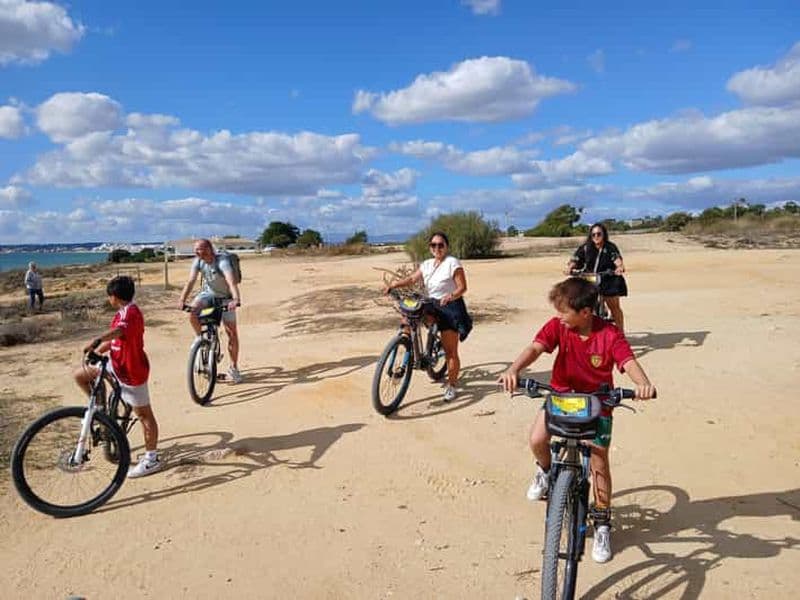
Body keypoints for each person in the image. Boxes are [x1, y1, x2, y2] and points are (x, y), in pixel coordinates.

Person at [498, 277, 656, 564]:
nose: (559, 316)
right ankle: (546, 471)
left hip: (597, 403)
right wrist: (513, 369)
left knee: (598, 461)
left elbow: (628, 361)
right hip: (561, 398)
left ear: (585, 312)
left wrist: (643, 384)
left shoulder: (609, 333)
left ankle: (603, 522)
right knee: (536, 439)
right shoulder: (558, 326)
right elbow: (535, 348)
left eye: (564, 311)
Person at [74, 276, 161, 478]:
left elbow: (119, 331)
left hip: (132, 371)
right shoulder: (121, 312)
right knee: (80, 375)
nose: (108, 299)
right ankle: (100, 409)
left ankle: (151, 459)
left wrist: (96, 339)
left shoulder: (131, 313)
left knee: (144, 415)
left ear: (114, 296)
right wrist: (97, 350)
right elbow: (115, 340)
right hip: (115, 365)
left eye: (109, 296)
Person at [384, 231, 472, 402]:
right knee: (410, 314)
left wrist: (451, 296)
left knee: (450, 352)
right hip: (432, 303)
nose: (437, 248)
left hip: (450, 307)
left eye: (440, 245)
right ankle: (404, 339)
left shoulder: (452, 263)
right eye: (433, 245)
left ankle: (452, 385)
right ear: (430, 247)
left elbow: (462, 287)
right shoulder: (427, 264)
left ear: (446, 247)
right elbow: (411, 279)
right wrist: (393, 285)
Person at [177, 239, 243, 383]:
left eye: (200, 249)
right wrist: (182, 299)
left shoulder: (222, 262)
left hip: (226, 298)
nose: (197, 252)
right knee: (193, 313)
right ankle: (200, 339)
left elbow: (231, 281)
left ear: (209, 249)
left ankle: (234, 368)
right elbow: (191, 281)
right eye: (196, 250)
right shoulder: (198, 261)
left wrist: (236, 299)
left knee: (231, 332)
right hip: (208, 295)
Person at [566, 223, 628, 333]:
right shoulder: (585, 248)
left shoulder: (610, 247)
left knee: (614, 307)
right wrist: (570, 267)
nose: (596, 237)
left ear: (604, 234)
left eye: (599, 234)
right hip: (590, 278)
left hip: (608, 278)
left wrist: (619, 267)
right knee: (581, 302)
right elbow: (575, 259)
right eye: (593, 234)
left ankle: (621, 334)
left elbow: (616, 258)